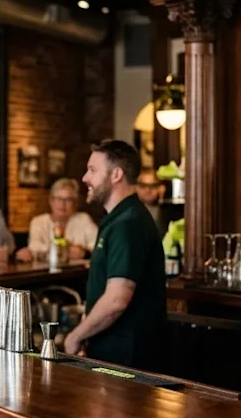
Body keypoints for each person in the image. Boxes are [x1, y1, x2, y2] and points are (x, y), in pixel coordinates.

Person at [63, 140, 167, 371]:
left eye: (92, 170)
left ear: (116, 174)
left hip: (128, 358)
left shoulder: (127, 224)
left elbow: (116, 300)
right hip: (115, 352)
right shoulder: (119, 218)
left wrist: (74, 337)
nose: (85, 178)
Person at [16, 178, 99, 263]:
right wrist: (65, 250)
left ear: (75, 203)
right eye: (58, 199)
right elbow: (34, 247)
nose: (62, 204)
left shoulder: (83, 219)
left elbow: (99, 246)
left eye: (68, 200)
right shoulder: (38, 222)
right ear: (51, 201)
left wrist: (84, 252)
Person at [136, 169, 169, 238]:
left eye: (153, 186)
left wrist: (162, 198)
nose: (148, 190)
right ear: (136, 187)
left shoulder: (169, 212)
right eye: (143, 185)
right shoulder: (130, 211)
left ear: (161, 188)